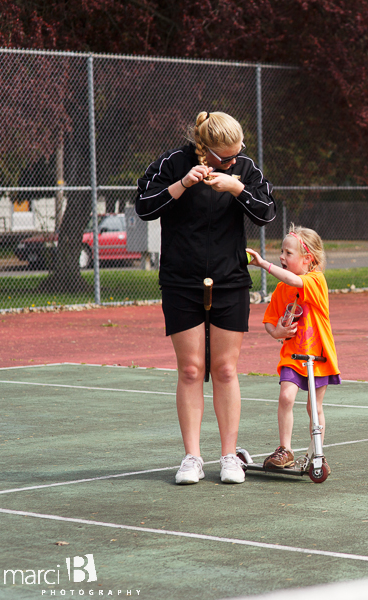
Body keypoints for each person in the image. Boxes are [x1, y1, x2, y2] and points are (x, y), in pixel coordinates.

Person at [135, 111, 276, 485]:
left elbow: (267, 213)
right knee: (191, 369)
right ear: (205, 149)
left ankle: (229, 456)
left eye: (235, 155)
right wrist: (182, 184)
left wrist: (236, 187)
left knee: (226, 369)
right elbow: (144, 207)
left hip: (230, 280)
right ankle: (192, 457)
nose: (231, 162)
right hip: (182, 281)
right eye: (223, 158)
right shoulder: (174, 162)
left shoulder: (243, 169)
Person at [246, 224, 340, 473]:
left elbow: (293, 279)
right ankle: (285, 449)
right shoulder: (281, 289)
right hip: (292, 356)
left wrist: (264, 264)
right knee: (286, 397)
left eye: (289, 253)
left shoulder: (315, 280)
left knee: (313, 407)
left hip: (317, 357)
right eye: (282, 252)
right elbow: (268, 321)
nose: (282, 257)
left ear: (307, 258)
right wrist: (276, 332)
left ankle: (315, 452)